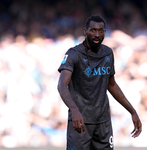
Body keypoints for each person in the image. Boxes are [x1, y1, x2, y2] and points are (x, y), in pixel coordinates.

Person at [57, 15, 142, 150]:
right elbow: (62, 84)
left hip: (103, 122)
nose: (97, 34)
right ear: (85, 31)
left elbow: (111, 84)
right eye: (93, 30)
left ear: (104, 32)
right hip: (80, 122)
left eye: (100, 31)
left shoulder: (108, 53)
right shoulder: (74, 54)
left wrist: (132, 111)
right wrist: (74, 110)